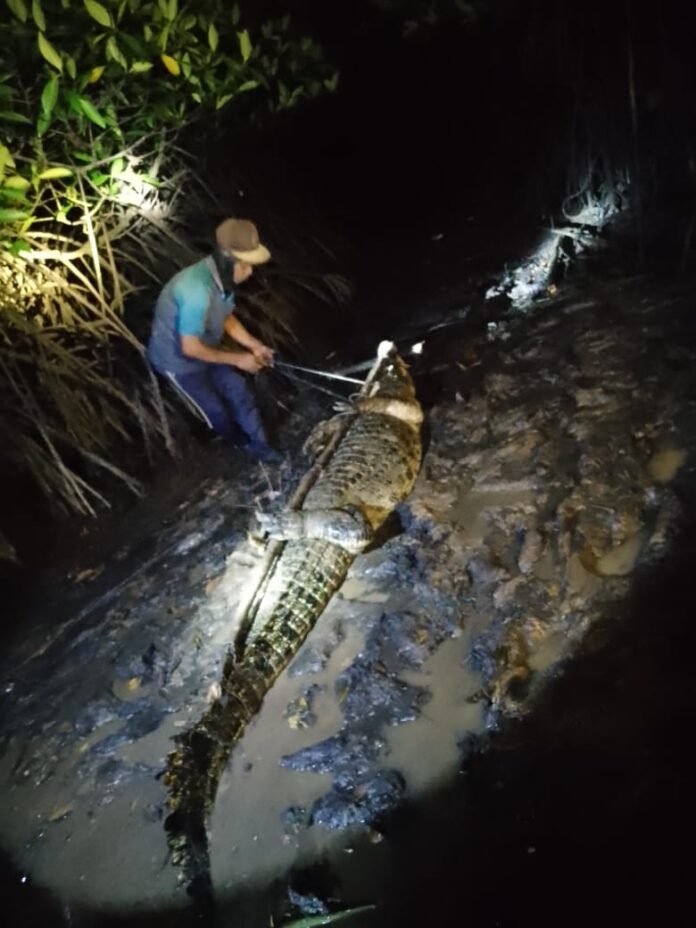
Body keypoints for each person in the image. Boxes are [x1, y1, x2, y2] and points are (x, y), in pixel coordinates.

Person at [147, 218, 282, 462]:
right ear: (229, 260)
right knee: (216, 413)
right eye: (246, 266)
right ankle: (243, 445)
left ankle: (262, 446)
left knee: (239, 390)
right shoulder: (196, 290)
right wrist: (240, 359)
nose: (250, 272)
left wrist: (254, 345)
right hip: (178, 362)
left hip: (205, 347)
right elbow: (190, 347)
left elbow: (226, 318)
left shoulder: (222, 278)